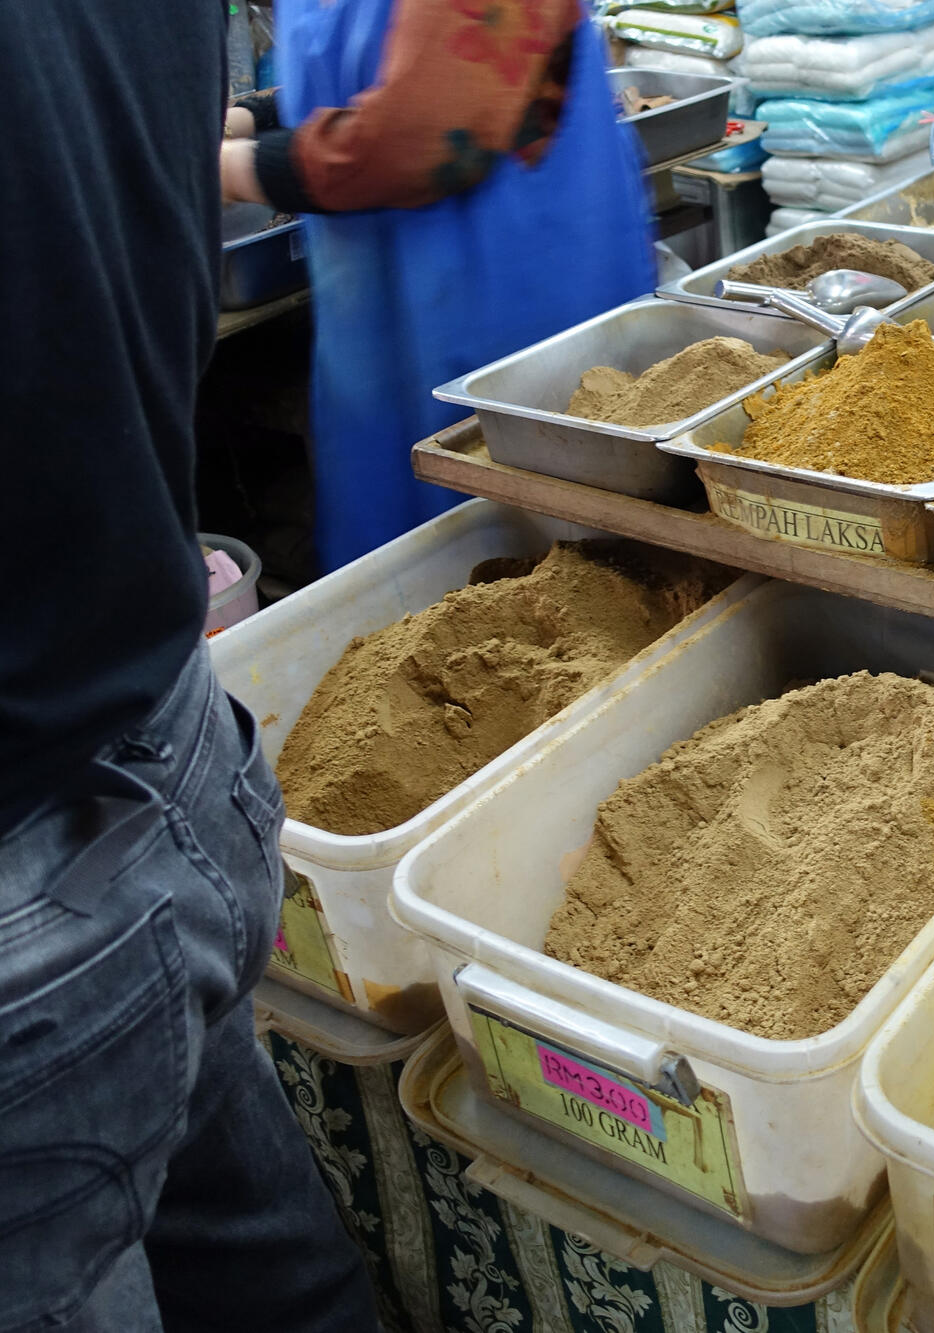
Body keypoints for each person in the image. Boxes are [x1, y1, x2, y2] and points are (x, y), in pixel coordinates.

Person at [0, 2, 381, 1330]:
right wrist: (250, 137)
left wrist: (255, 155)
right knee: (273, 1277)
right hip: (169, 734)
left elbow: (416, 141)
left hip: (37, 867)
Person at [220, 0, 655, 571]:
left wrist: (223, 169)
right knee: (409, 557)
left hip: (509, 277)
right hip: (378, 307)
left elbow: (421, 139)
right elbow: (392, 59)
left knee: (543, 548)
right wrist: (255, 116)